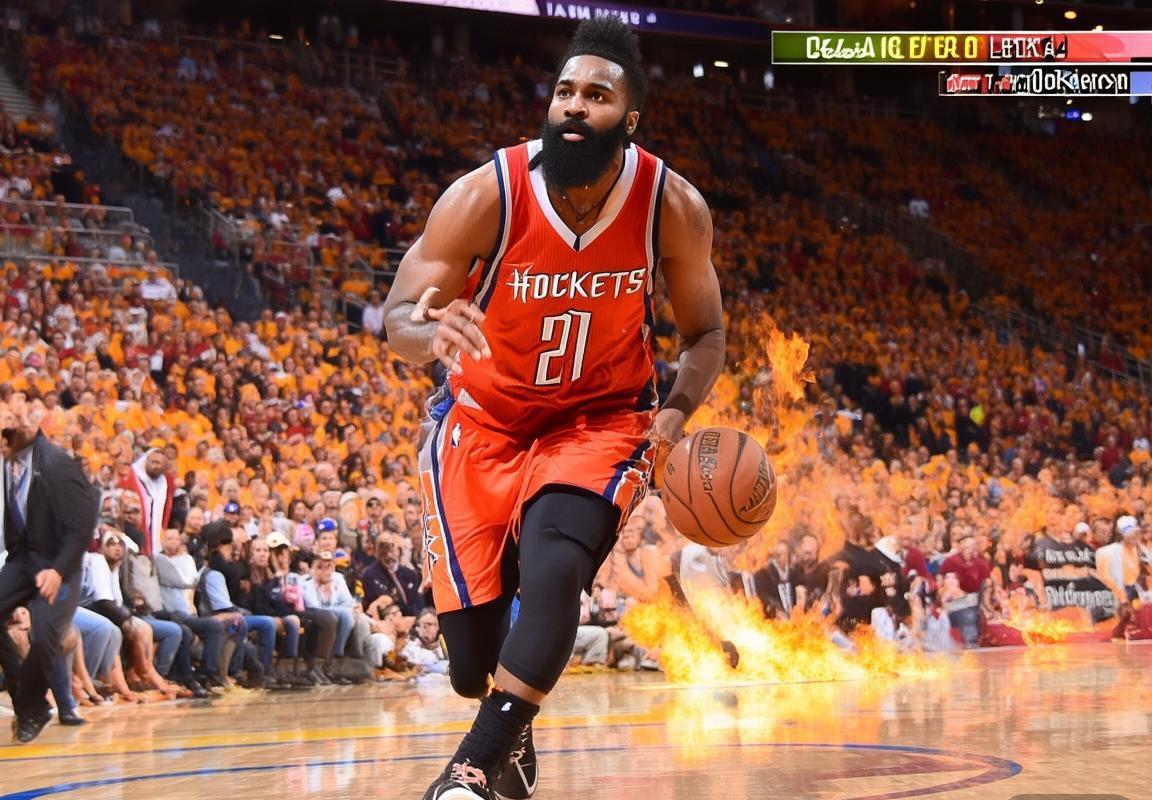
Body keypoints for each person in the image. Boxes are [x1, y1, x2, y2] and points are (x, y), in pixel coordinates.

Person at [383, 18, 724, 800]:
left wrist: (675, 413)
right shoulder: (484, 194)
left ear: (629, 119)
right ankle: (513, 720)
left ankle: (470, 769)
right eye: (565, 91)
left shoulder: (671, 206)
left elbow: (706, 334)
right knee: (471, 663)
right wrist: (430, 332)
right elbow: (397, 318)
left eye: (596, 95)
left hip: (600, 420)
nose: (574, 105)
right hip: (484, 422)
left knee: (556, 569)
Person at [0, 396, 99, 743]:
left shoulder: (56, 463)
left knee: (45, 636)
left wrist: (57, 571)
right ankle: (28, 702)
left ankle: (37, 705)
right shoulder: (8, 462)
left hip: (60, 563)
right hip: (23, 558)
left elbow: (81, 527)